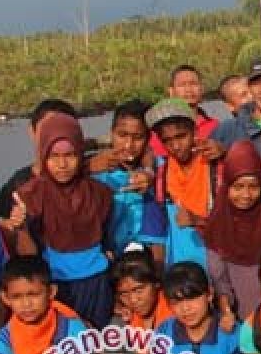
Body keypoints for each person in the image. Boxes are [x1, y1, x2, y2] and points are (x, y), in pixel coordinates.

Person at [15, 113, 114, 327]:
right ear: (42, 156)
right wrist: (20, 226)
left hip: (96, 281)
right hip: (57, 284)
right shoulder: (31, 195)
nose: (62, 164)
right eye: (53, 157)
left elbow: (109, 235)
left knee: (95, 345)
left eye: (70, 155)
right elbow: (28, 256)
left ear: (80, 153)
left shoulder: (100, 193)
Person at [200, 140, 261, 324]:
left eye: (253, 187)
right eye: (238, 187)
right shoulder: (218, 223)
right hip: (238, 320)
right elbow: (220, 279)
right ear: (227, 186)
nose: (246, 195)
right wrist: (226, 310)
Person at [141, 98, 218, 269]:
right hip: (179, 271)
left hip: (218, 268)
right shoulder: (160, 177)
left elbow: (235, 224)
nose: (175, 145)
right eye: (167, 140)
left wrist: (198, 220)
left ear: (194, 131)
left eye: (181, 136)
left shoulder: (216, 169)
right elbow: (156, 235)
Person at [89, 100, 159, 258]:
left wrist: (150, 172)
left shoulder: (159, 170)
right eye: (122, 135)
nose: (128, 145)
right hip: (107, 259)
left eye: (138, 137)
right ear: (112, 133)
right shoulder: (96, 173)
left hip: (149, 260)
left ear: (148, 138)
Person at [0, 99, 78, 220]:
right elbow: (1, 231)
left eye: (64, 129)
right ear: (32, 131)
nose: (55, 136)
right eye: (47, 129)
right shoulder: (17, 185)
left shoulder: (93, 177)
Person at [149, 65, 219, 156]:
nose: (189, 89)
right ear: (171, 91)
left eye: (193, 84)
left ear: (202, 89)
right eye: (182, 85)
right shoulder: (158, 129)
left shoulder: (215, 125)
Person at [109, 250, 171, 329]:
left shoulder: (176, 313)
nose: (133, 300)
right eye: (124, 294)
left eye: (139, 290)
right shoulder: (125, 320)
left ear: (156, 283)